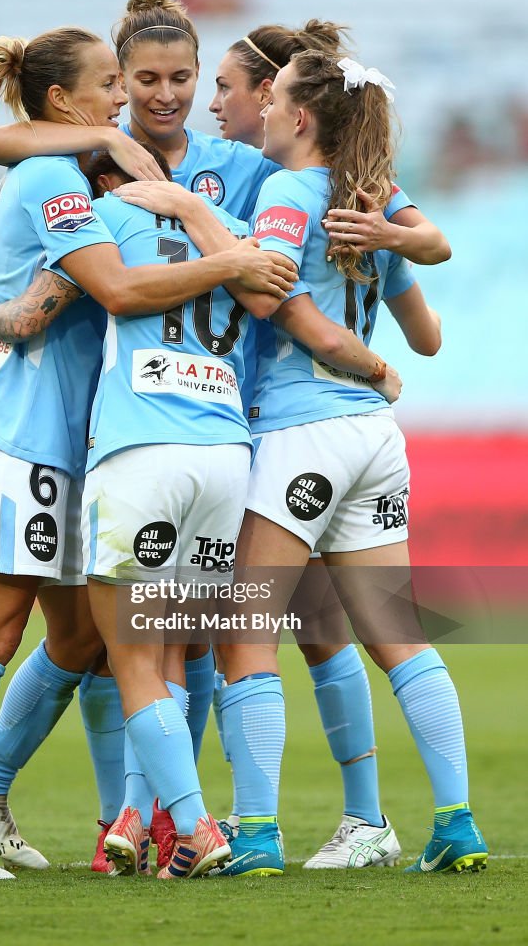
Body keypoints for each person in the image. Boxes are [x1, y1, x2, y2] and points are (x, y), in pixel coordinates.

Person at [0, 0, 453, 872]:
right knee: (126, 635)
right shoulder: (90, 152)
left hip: (228, 425)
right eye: (143, 81)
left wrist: (392, 253)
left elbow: (398, 231)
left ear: (219, 88)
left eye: (188, 80)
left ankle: (236, 821)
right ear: (116, 85)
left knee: (205, 632)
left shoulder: (242, 166)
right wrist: (112, 153)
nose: (166, 96)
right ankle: (134, 815)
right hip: (129, 421)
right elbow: (2, 143)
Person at [0, 24, 286, 882]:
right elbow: (104, 286)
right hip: (23, 432)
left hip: (89, 444)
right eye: (111, 84)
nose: (125, 97)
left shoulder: (82, 170)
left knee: (81, 642)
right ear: (65, 102)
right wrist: (231, 262)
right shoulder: (48, 176)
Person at [205, 49, 487, 876]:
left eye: (274, 101)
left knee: (247, 630)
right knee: (398, 635)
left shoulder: (291, 193)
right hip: (375, 440)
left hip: (303, 429)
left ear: (298, 117)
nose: (258, 113)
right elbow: (428, 336)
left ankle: (254, 835)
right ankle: (455, 822)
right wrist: (391, 243)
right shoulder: (368, 202)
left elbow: (266, 294)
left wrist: (200, 228)